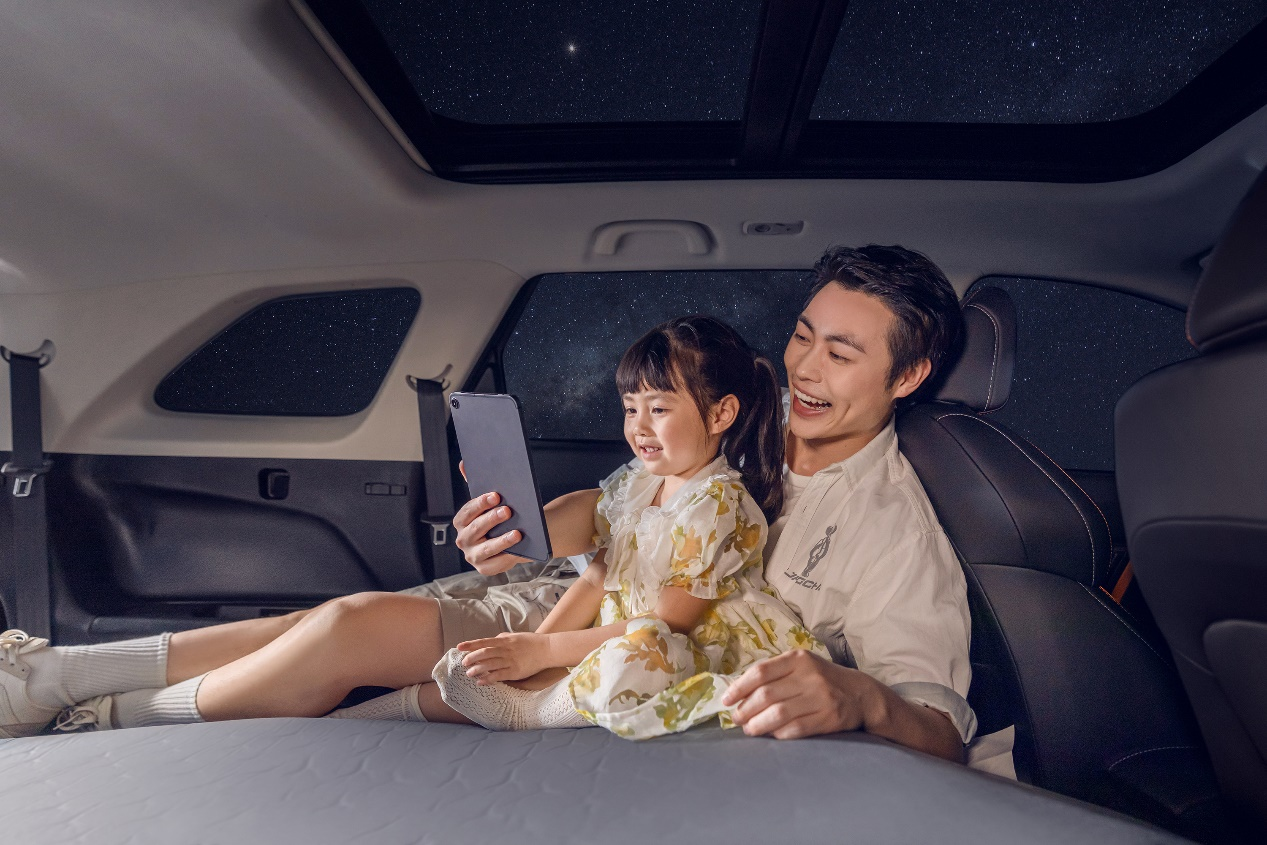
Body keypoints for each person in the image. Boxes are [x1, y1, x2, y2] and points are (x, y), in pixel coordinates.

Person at [0, 245, 972, 765]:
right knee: (323, 624)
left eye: (840, 352)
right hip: (567, 597)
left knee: (340, 640)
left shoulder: (894, 531)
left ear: (909, 374)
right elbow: (626, 502)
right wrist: (527, 527)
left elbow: (936, 718)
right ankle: (54, 679)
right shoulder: (749, 406)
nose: (805, 367)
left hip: (619, 646)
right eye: (803, 335)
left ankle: (102, 715)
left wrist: (860, 696)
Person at [404, 315, 827, 737]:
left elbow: (671, 624)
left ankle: (527, 712)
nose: (638, 427)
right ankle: (495, 698)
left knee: (642, 654)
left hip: (690, 643)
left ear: (721, 414)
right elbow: (596, 579)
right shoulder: (639, 485)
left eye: (658, 409)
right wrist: (529, 650)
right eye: (630, 409)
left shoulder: (717, 505)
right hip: (623, 629)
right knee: (511, 662)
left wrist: (544, 651)